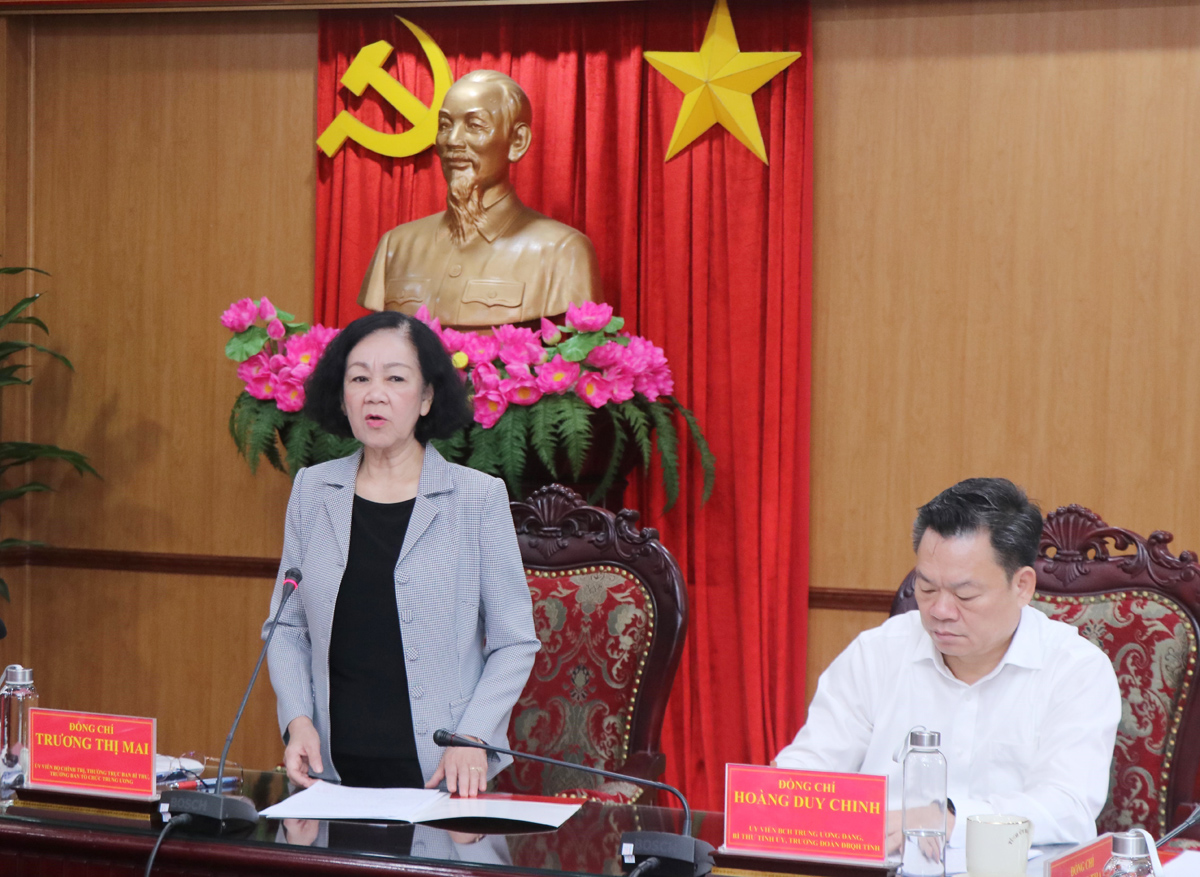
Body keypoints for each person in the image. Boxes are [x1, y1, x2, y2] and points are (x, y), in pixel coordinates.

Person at [263, 310, 539, 795]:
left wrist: (472, 736)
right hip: (331, 776)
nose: (375, 394)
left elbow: (513, 642)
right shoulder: (313, 490)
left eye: (395, 378)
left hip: (443, 774)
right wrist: (298, 720)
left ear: (427, 396)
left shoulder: (477, 498)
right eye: (359, 378)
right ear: (342, 396)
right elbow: (287, 628)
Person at [775, 478, 1121, 851]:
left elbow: (1067, 808)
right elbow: (808, 771)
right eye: (926, 589)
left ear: (1022, 586)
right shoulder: (876, 654)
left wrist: (950, 818)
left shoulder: (1076, 670)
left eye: (965, 594)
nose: (940, 610)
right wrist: (779, 799)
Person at [357, 70, 603, 329]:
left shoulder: (562, 251)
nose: (453, 140)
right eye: (445, 125)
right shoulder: (396, 246)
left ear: (517, 142)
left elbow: (581, 347)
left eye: (474, 126)